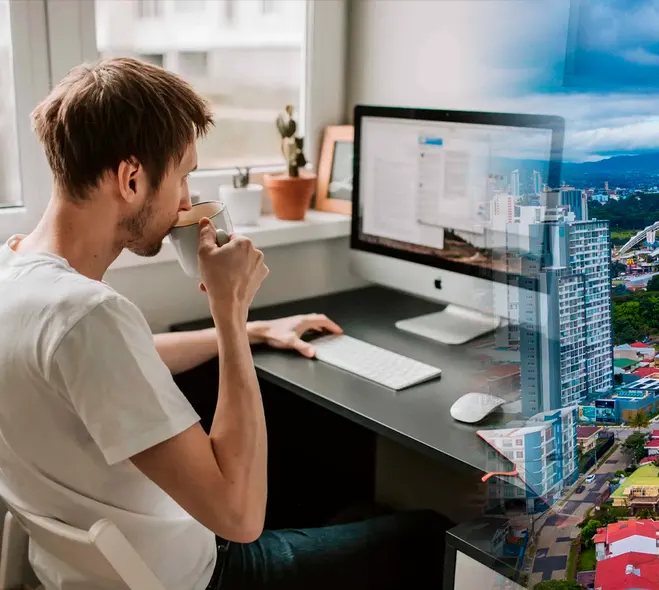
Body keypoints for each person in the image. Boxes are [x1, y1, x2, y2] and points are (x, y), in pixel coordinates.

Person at [0, 58, 449, 589]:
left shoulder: (20, 277)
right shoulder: (89, 316)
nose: (187, 201)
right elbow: (240, 519)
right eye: (184, 175)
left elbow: (108, 365)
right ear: (131, 178)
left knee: (342, 501)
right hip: (206, 574)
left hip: (82, 574)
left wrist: (256, 331)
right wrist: (232, 312)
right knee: (429, 533)